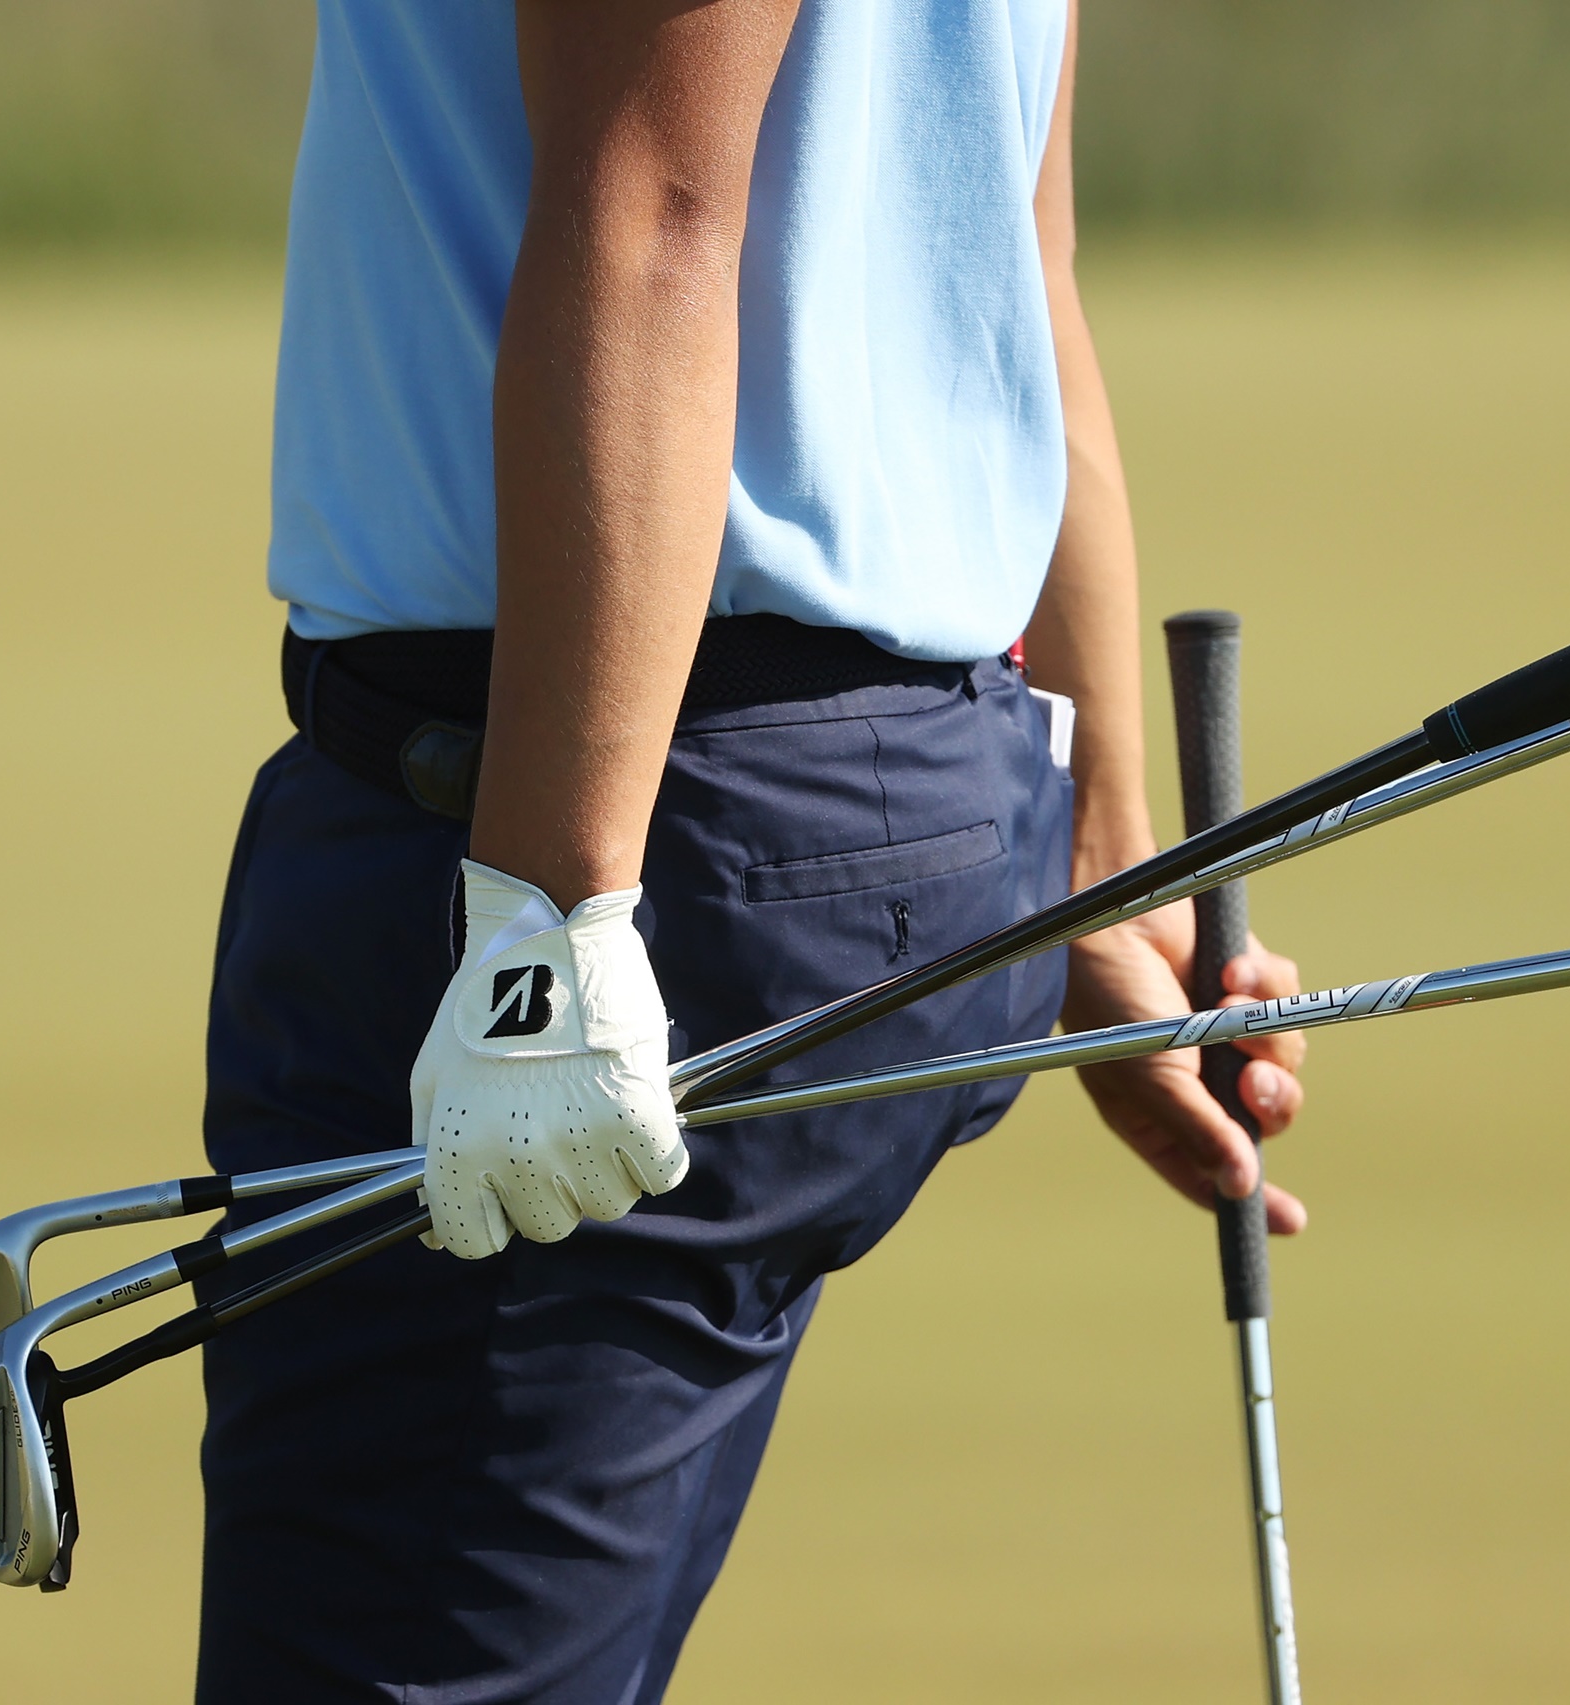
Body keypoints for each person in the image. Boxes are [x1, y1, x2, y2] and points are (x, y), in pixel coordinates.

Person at [199, 2, 1311, 1697]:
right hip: (903, 800)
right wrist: (1100, 877)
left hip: (612, 850)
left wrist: (547, 923)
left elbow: (651, 208)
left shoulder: (563, 907)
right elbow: (1018, 254)